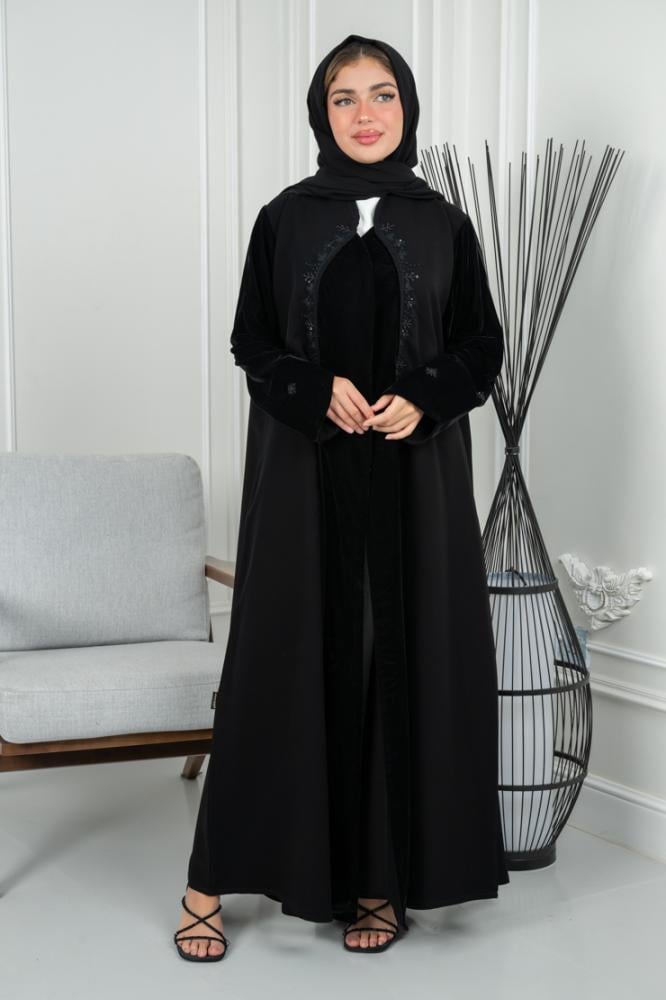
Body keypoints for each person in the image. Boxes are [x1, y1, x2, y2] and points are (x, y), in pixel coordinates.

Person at [173, 32, 510, 962]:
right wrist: (314, 389)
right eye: (344, 98)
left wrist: (427, 395)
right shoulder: (286, 218)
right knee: (279, 657)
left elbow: (481, 345)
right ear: (321, 115)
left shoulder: (443, 223)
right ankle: (210, 878)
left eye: (382, 94)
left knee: (394, 655)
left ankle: (377, 880)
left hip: (414, 479)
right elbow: (252, 340)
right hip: (302, 479)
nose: (365, 114)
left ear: (408, 106)